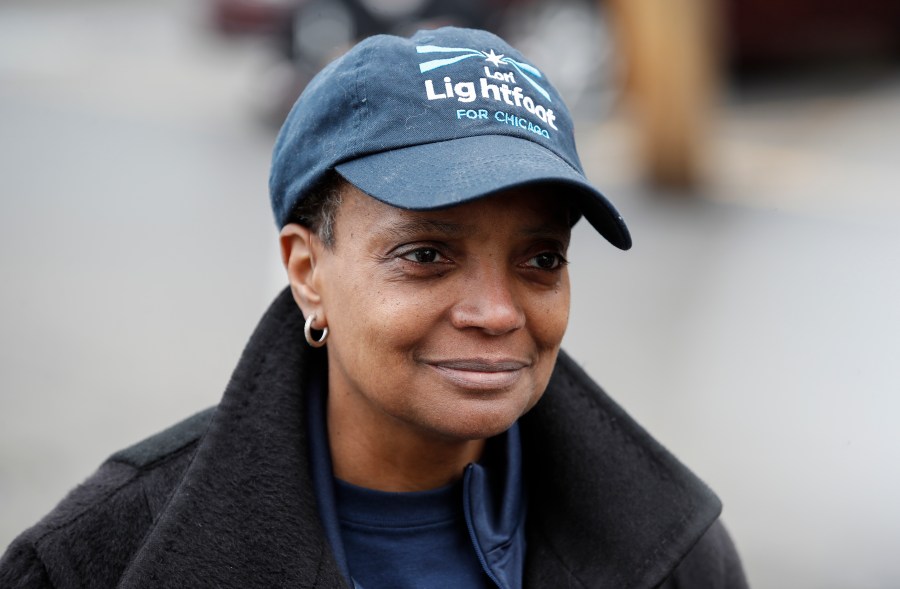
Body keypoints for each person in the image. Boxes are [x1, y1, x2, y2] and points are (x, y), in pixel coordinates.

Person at [0, 27, 747, 588]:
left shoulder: (679, 556)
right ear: (306, 270)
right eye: (426, 254)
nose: (495, 312)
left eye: (541, 259)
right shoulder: (94, 561)